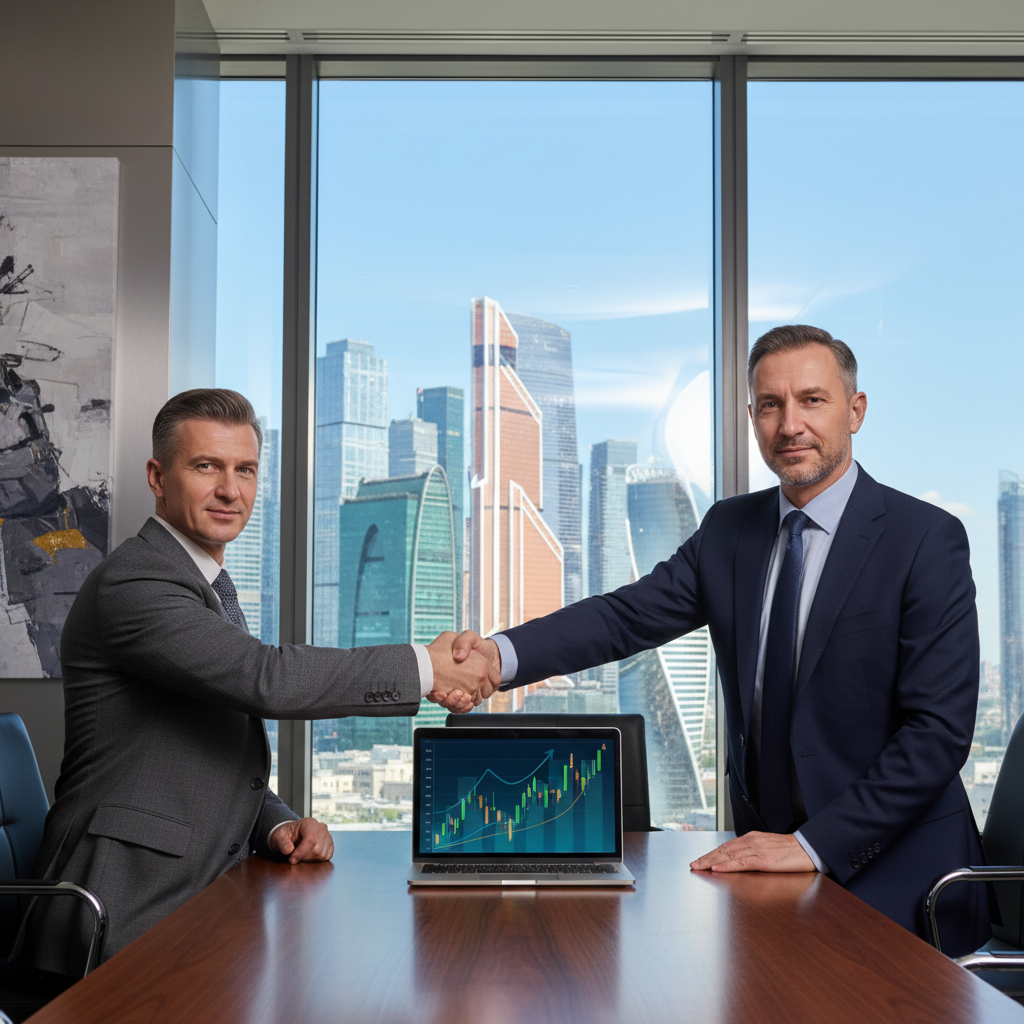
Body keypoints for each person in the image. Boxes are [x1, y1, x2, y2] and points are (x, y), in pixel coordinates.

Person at [440, 325, 990, 956]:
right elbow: (625, 617)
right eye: (771, 405)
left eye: (813, 400)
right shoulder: (730, 529)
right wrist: (497, 656)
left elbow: (937, 735)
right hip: (765, 878)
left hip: (904, 881)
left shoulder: (924, 539)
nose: (791, 425)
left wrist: (811, 847)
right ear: (752, 418)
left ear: (855, 411)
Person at [19, 389, 496, 976]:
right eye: (206, 467)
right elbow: (264, 678)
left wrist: (276, 825)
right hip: (121, 908)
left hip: (196, 896)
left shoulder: (204, 583)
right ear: (157, 475)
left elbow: (200, 746)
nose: (230, 490)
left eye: (244, 470)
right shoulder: (138, 582)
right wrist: (426, 668)